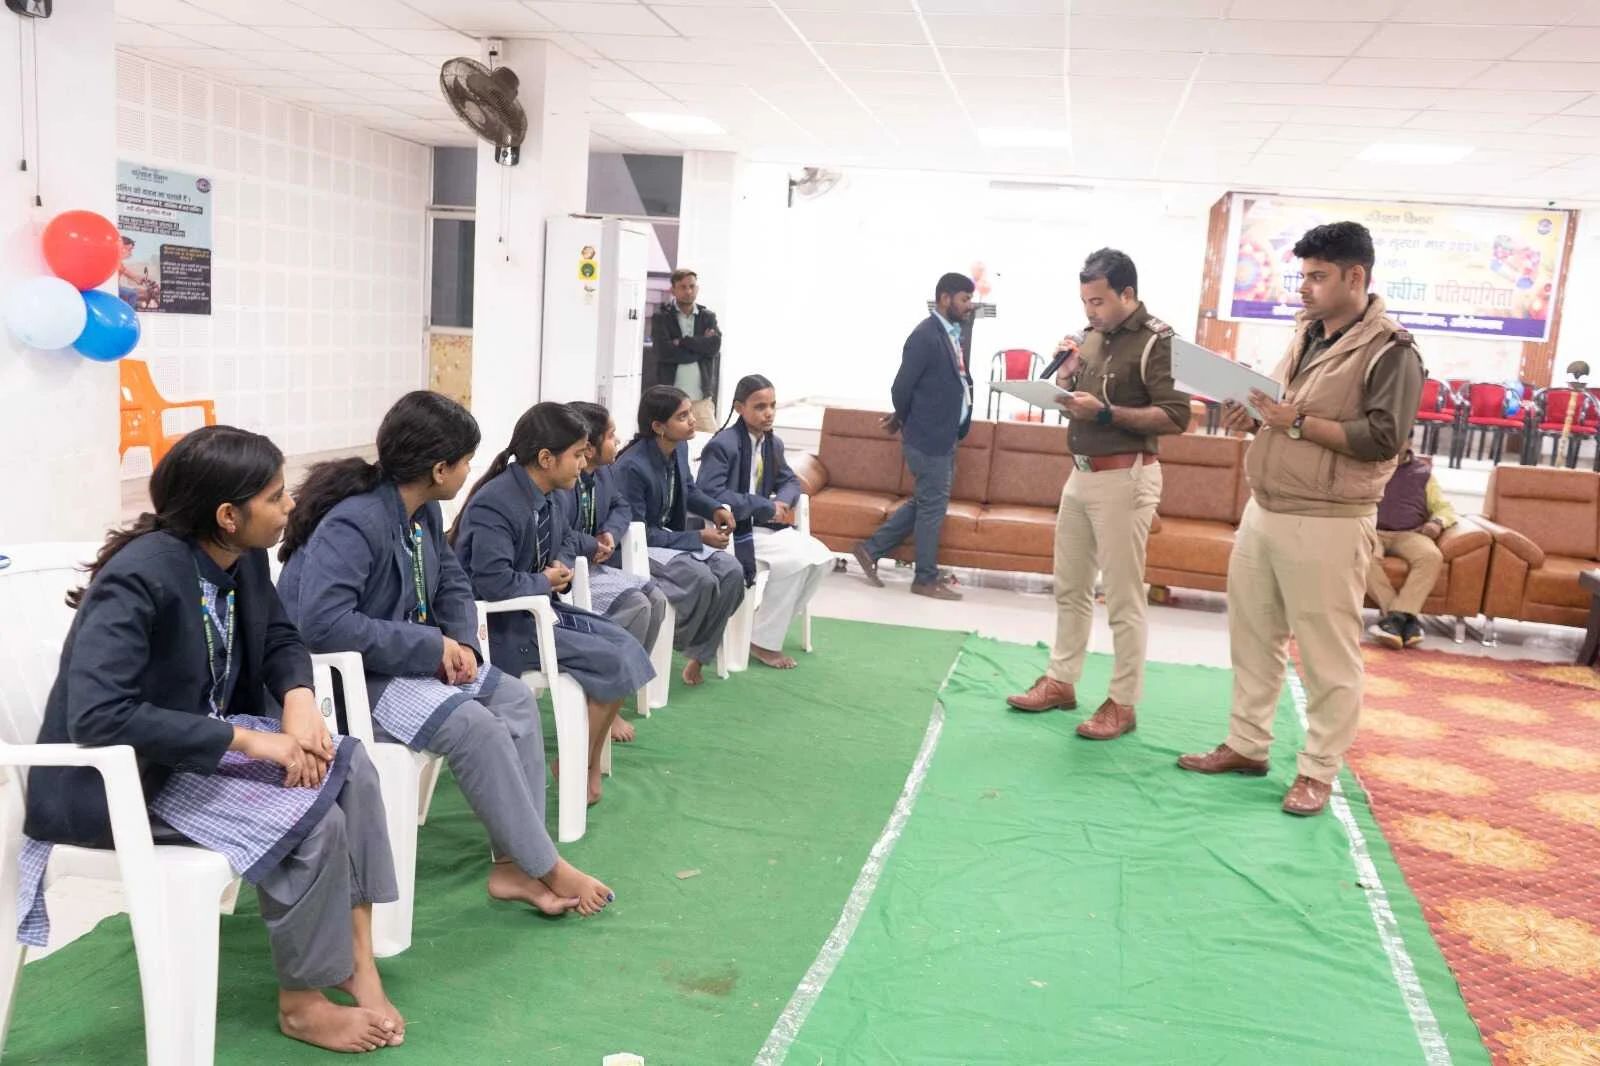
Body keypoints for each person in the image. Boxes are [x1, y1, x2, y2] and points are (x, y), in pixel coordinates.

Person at [18, 426, 405, 1053]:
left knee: (351, 767)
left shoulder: (241, 556)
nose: (289, 507)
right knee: (316, 824)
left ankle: (356, 964)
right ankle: (302, 1002)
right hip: (121, 781)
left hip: (193, 756)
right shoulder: (139, 577)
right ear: (228, 515)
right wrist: (247, 741)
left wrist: (298, 699)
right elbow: (97, 715)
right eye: (276, 497)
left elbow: (279, 635)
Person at [277, 390, 613, 915]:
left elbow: (453, 581)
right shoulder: (355, 522)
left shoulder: (424, 512)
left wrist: (463, 643)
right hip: (354, 682)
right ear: (439, 469)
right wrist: (432, 645)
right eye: (465, 461)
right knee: (474, 726)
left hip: (410, 661)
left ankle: (512, 865)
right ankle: (545, 866)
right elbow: (324, 626)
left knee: (515, 700)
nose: (470, 471)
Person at [1178, 221, 1424, 817]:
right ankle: (1246, 745)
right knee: (1253, 638)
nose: (1304, 288)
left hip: (1329, 521)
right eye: (1303, 276)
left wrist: (1295, 423)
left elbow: (1384, 439)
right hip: (1265, 508)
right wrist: (1255, 418)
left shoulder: (1392, 351)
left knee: (1326, 655)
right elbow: (1284, 412)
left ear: (1355, 277)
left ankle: (1317, 770)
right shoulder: (1306, 334)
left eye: (1317, 277)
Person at [1006, 249, 1192, 740]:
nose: (1090, 311)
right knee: (1070, 586)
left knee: (1123, 598)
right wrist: (1065, 379)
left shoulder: (1158, 341)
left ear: (1127, 294)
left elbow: (1176, 416)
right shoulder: (1089, 337)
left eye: (1098, 301)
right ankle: (1061, 681)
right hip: (1081, 473)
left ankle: (1123, 703)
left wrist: (1106, 413)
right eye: (1085, 302)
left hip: (1126, 477)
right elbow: (1078, 403)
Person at [450, 402, 656, 804]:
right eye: (578, 454)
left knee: (627, 647)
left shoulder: (555, 494)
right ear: (546, 458)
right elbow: (492, 582)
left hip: (539, 611)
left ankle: (582, 761)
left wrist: (559, 564)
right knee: (613, 660)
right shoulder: (497, 503)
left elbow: (564, 538)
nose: (584, 463)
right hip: (502, 626)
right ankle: (579, 765)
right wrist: (543, 580)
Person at [852, 272, 976, 601]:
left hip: (944, 435)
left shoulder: (950, 333)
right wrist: (905, 418)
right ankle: (924, 578)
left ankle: (870, 549)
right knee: (932, 508)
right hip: (929, 438)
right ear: (945, 298)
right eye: (965, 299)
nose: (970, 305)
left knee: (926, 501)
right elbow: (901, 388)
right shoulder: (925, 336)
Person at [697, 374, 834, 669]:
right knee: (797, 561)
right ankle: (763, 642)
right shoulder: (723, 445)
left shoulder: (772, 443)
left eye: (772, 405)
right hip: (731, 529)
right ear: (739, 408)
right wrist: (763, 505)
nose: (769, 413)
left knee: (823, 558)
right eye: (760, 407)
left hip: (761, 526)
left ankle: (762, 631)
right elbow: (709, 493)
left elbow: (790, 482)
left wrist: (781, 502)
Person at [613, 385, 744, 687]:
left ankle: (698, 656)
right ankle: (673, 640)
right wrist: (699, 538)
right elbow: (639, 533)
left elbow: (689, 490)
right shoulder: (631, 466)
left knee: (732, 571)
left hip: (670, 540)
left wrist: (715, 509)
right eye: (682, 416)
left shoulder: (680, 448)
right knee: (702, 579)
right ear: (658, 427)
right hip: (640, 546)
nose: (692, 420)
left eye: (689, 413)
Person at [564, 399, 671, 738]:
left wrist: (610, 533)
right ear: (589, 447)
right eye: (611, 436)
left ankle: (615, 697)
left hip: (596, 568)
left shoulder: (604, 472)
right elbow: (559, 534)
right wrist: (591, 544)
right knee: (637, 606)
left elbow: (621, 507)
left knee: (656, 598)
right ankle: (602, 697)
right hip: (571, 573)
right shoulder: (564, 481)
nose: (618, 441)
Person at [1365, 446, 1457, 650]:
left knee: (1431, 556)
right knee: (1361, 554)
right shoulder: (1369, 465)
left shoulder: (1423, 473)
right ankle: (1402, 618)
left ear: (1408, 441)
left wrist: (1437, 522)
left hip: (1411, 533)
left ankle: (1394, 620)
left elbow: (1444, 508)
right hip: (1372, 530)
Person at [649, 268, 720, 429]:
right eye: (683, 287)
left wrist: (683, 342)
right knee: (670, 442)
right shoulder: (662, 317)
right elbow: (664, 352)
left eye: (692, 286)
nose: (688, 291)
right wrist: (699, 349)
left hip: (701, 400)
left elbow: (713, 347)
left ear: (697, 289)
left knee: (711, 441)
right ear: (673, 290)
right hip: (670, 401)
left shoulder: (708, 317)